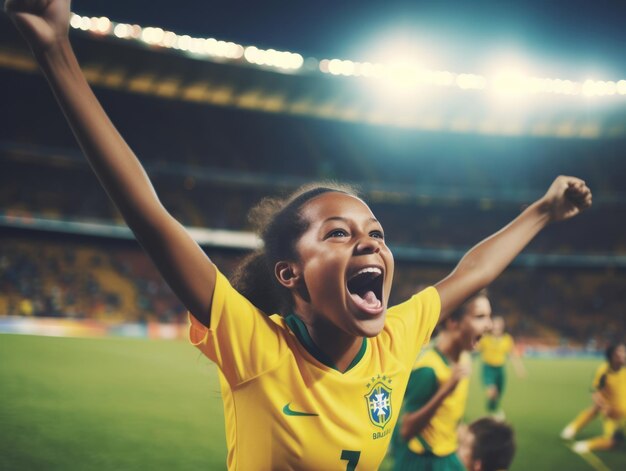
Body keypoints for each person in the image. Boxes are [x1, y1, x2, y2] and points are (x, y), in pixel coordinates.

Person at [4, 1, 593, 469]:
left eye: (376, 233)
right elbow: (149, 213)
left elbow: (473, 272)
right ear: (291, 273)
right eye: (338, 234)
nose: (369, 243)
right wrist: (55, 49)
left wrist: (543, 209)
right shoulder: (255, 347)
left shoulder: (394, 340)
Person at [391, 291, 490, 470]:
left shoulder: (464, 358)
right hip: (423, 460)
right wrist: (445, 390)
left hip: (447, 454)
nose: (489, 325)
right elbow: (406, 430)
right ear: (453, 322)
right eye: (480, 317)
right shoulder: (428, 369)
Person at [571, 342, 626, 454]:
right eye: (619, 352)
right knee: (611, 441)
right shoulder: (603, 371)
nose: (623, 355)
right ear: (611, 356)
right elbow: (595, 392)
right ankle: (584, 442)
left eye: (624, 351)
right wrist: (604, 406)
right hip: (613, 415)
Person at [477, 315, 526, 419]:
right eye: (494, 324)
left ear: (502, 326)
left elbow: (513, 355)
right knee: (492, 392)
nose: (496, 327)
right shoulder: (485, 339)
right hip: (488, 369)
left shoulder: (507, 339)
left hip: (500, 370)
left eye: (499, 325)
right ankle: (492, 413)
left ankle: (492, 411)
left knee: (497, 395)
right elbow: (474, 349)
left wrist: (519, 369)